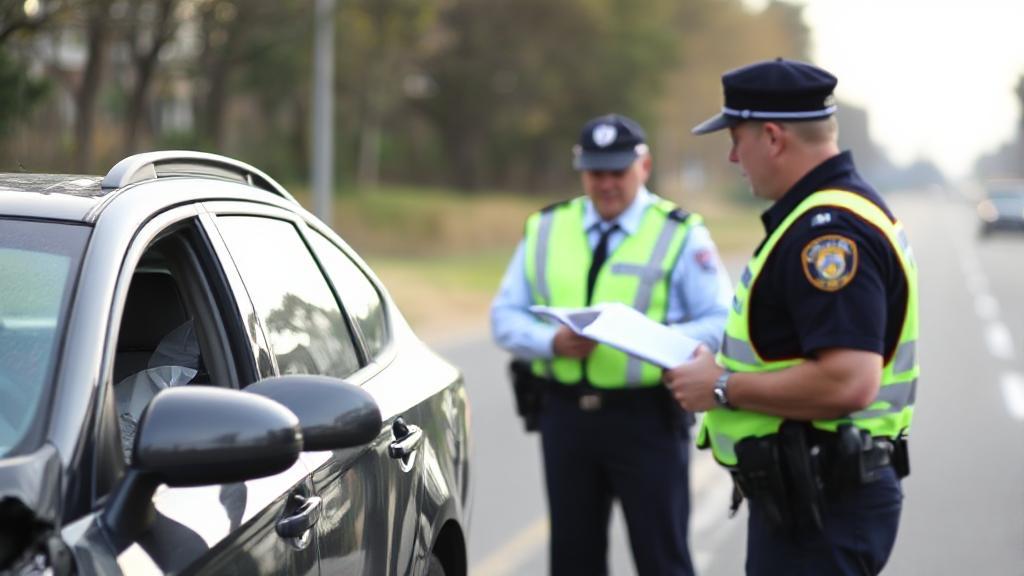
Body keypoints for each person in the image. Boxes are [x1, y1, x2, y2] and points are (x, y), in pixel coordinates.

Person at [665, 59, 919, 575]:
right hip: (819, 496)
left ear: (774, 137)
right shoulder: (832, 213)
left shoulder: (827, 233)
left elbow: (849, 381)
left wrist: (721, 388)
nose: (734, 156)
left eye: (737, 138)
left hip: (824, 503)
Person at [491, 113, 732, 576]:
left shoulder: (679, 232)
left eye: (617, 171)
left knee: (662, 559)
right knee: (573, 560)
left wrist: (648, 338)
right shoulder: (545, 227)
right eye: (595, 172)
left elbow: (720, 321)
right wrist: (552, 343)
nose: (606, 184)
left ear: (644, 166)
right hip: (564, 418)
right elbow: (504, 316)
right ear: (581, 169)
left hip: (648, 420)